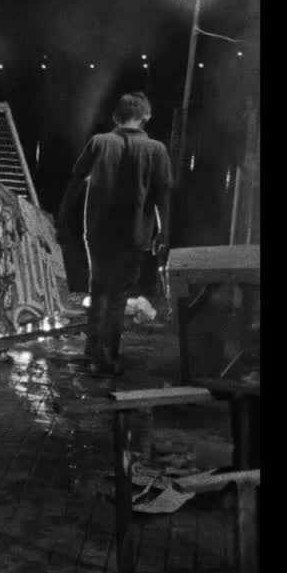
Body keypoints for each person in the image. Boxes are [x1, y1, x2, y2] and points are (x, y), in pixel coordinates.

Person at [57, 92, 172, 376]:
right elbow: (163, 196)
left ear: (116, 116)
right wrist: (163, 232)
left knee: (98, 289)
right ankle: (108, 356)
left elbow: (75, 182)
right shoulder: (157, 150)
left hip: (98, 229)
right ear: (146, 116)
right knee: (119, 295)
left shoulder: (99, 142)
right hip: (135, 233)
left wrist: (62, 218)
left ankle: (93, 351)